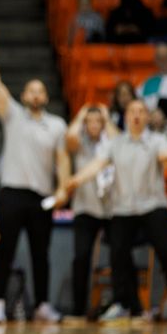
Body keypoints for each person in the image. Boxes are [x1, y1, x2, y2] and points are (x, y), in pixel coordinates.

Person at [0, 25, 70, 324]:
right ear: (25, 95)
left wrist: (64, 189)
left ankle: (42, 305)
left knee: (41, 255)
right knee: (5, 251)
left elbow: (63, 159)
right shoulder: (13, 115)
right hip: (12, 194)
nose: (36, 94)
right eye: (31, 90)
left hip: (42, 197)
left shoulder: (57, 125)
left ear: (45, 96)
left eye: (41, 90)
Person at [67, 100, 167, 322]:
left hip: (152, 205)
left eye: (141, 111)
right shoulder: (115, 143)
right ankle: (123, 304)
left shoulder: (158, 140)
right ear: (126, 116)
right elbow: (97, 164)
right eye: (132, 111)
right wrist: (76, 180)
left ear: (147, 116)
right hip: (122, 208)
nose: (137, 115)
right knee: (118, 254)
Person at [65, 105, 117, 317]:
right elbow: (69, 136)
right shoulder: (80, 144)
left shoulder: (110, 144)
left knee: (119, 257)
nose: (95, 125)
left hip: (111, 208)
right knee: (81, 257)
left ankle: (120, 305)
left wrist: (107, 117)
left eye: (99, 121)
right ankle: (79, 309)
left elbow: (118, 141)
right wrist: (81, 113)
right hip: (85, 208)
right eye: (91, 121)